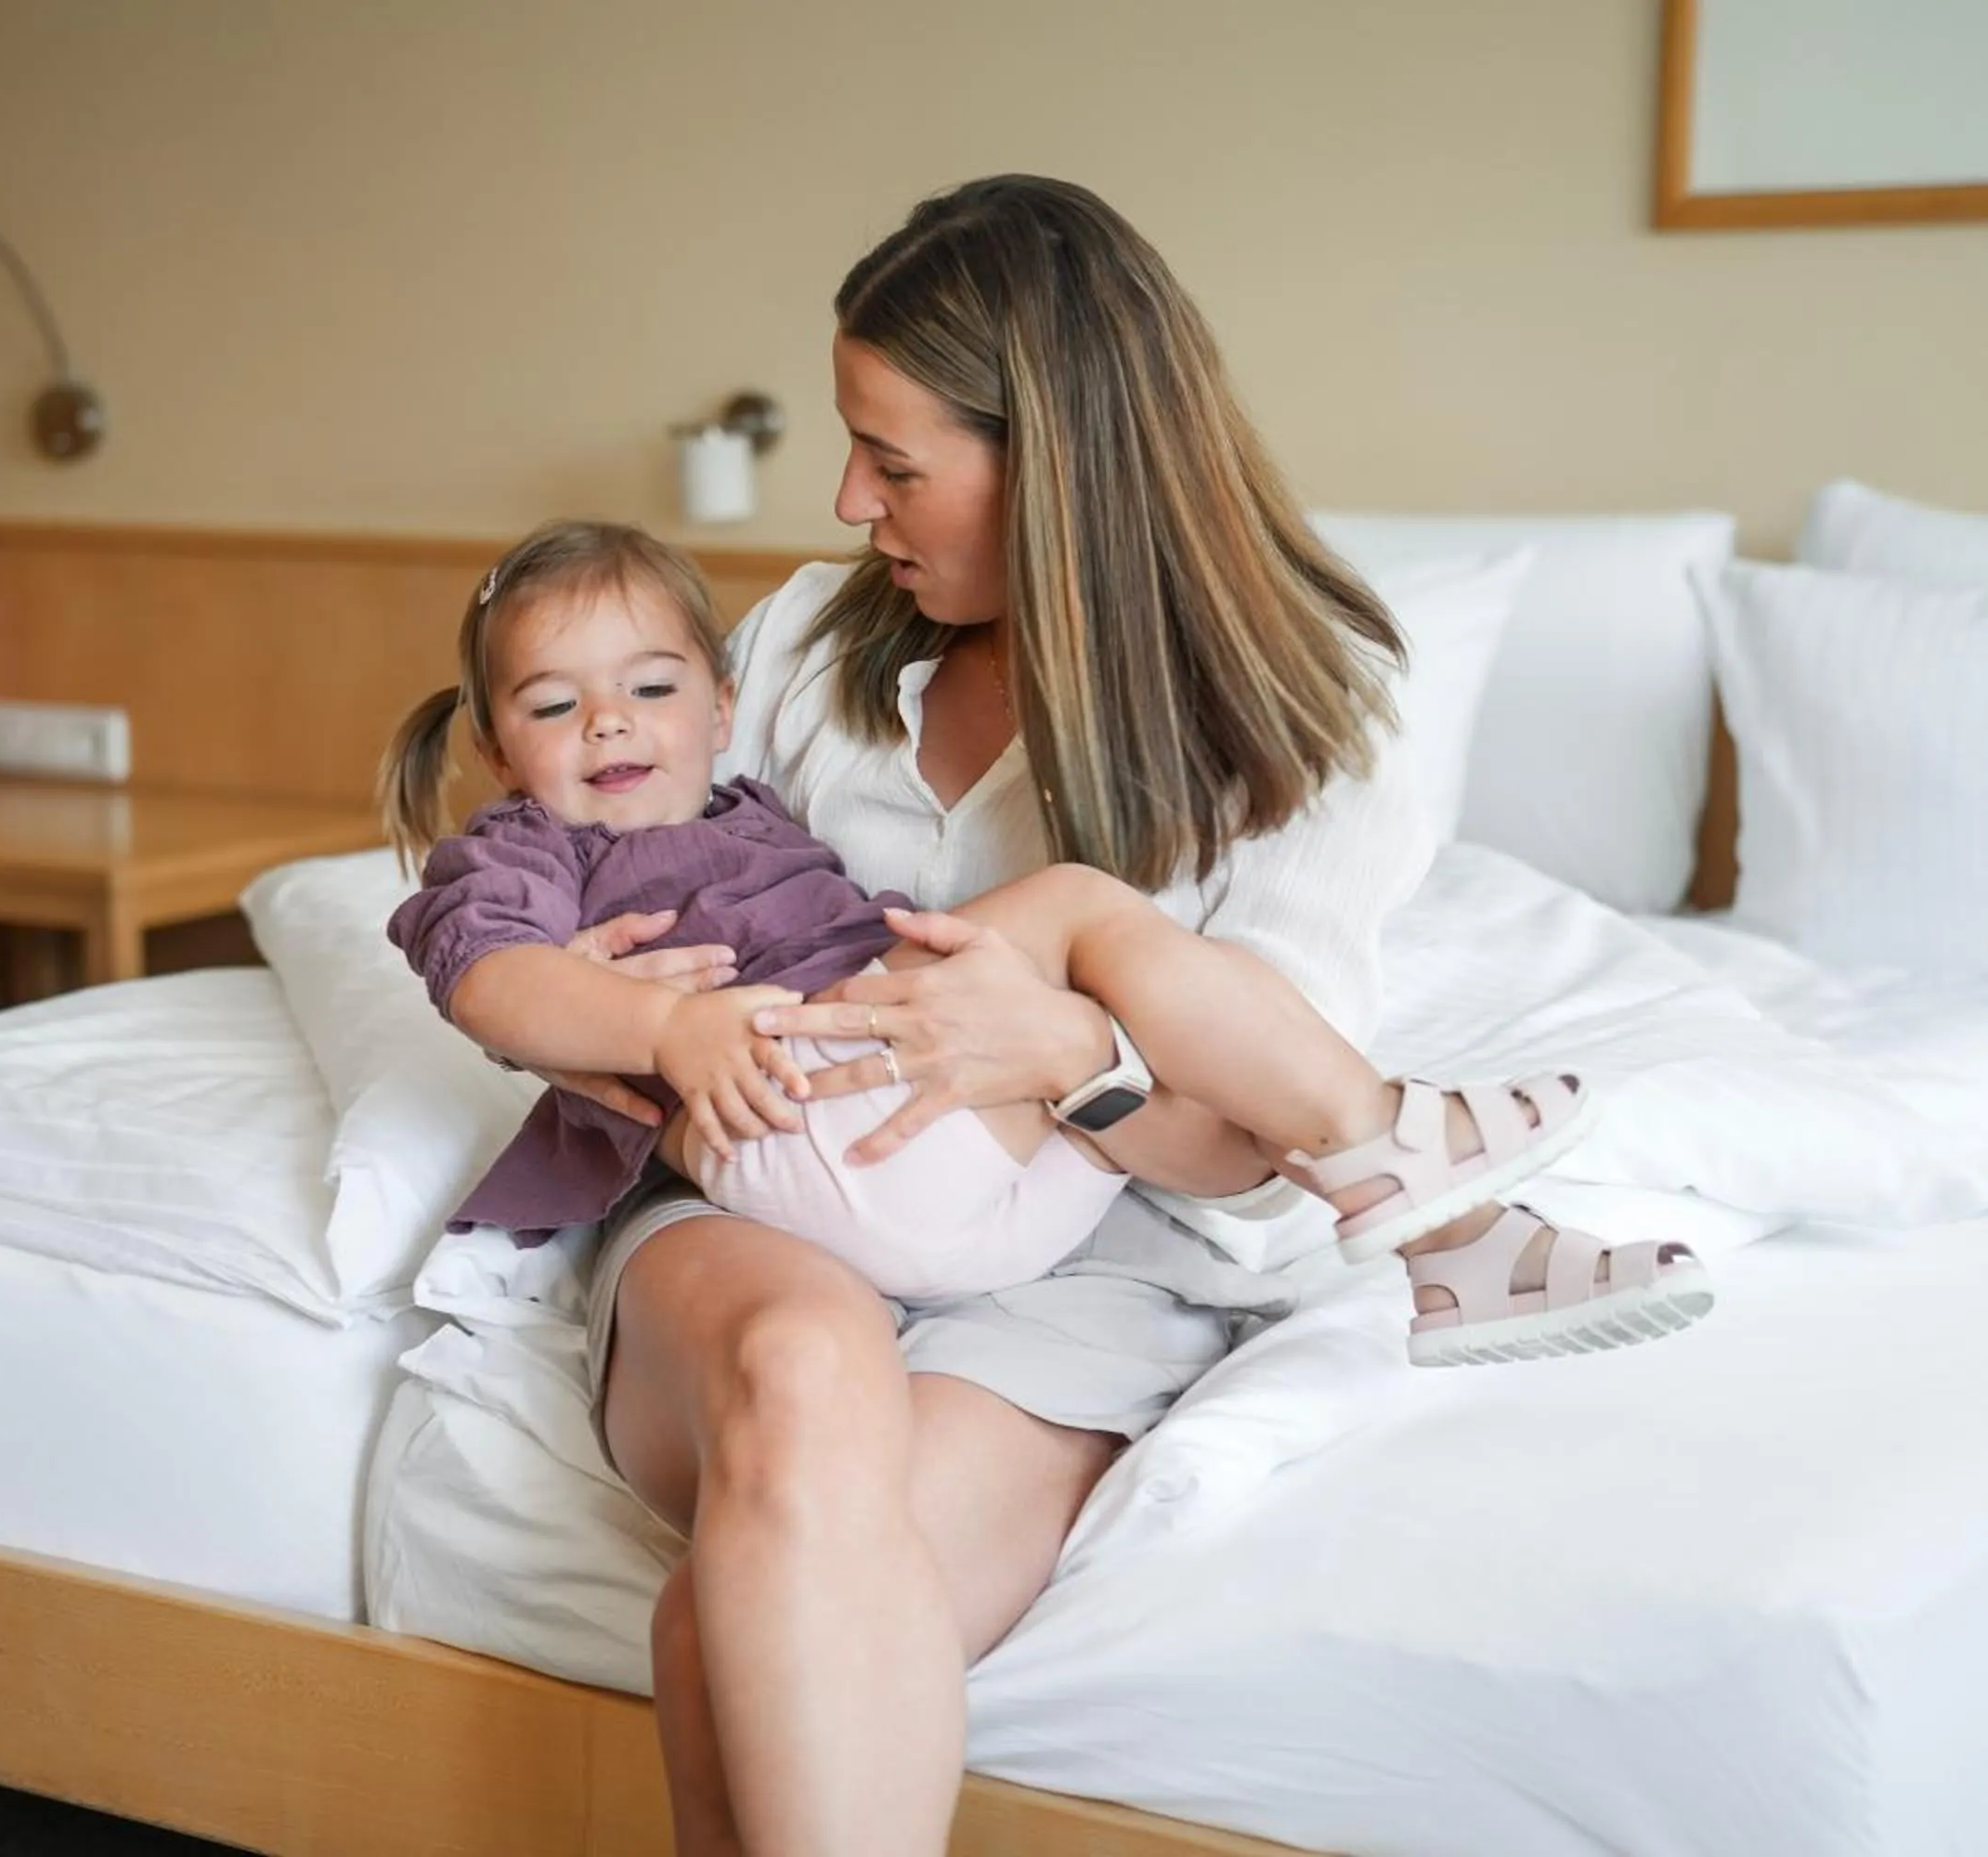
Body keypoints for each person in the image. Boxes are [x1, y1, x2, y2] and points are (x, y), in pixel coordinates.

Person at [442, 177, 1710, 1857]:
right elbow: (597, 884)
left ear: (1055, 461)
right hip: (757, 1188)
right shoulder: (815, 640)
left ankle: (1401, 1172)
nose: (847, 498)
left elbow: (1247, 1155)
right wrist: (636, 1017)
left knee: (728, 1629)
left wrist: (1083, 1068)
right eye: (853, 448)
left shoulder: (1313, 708)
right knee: (800, 1375)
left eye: (894, 462)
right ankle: (1426, 1169)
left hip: (1093, 1256)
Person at [382, 519, 1654, 1337]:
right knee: (1079, 906)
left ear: (723, 706)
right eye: (556, 707)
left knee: (1104, 980)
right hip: (799, 1124)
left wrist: (1041, 1035)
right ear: (494, 748)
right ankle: (1388, 1136)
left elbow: (1210, 1142)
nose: (609, 723)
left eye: (650, 690)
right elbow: (485, 980)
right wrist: (662, 1027)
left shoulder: (751, 801)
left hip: (1020, 1187)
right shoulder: (525, 847)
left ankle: (1444, 1235)